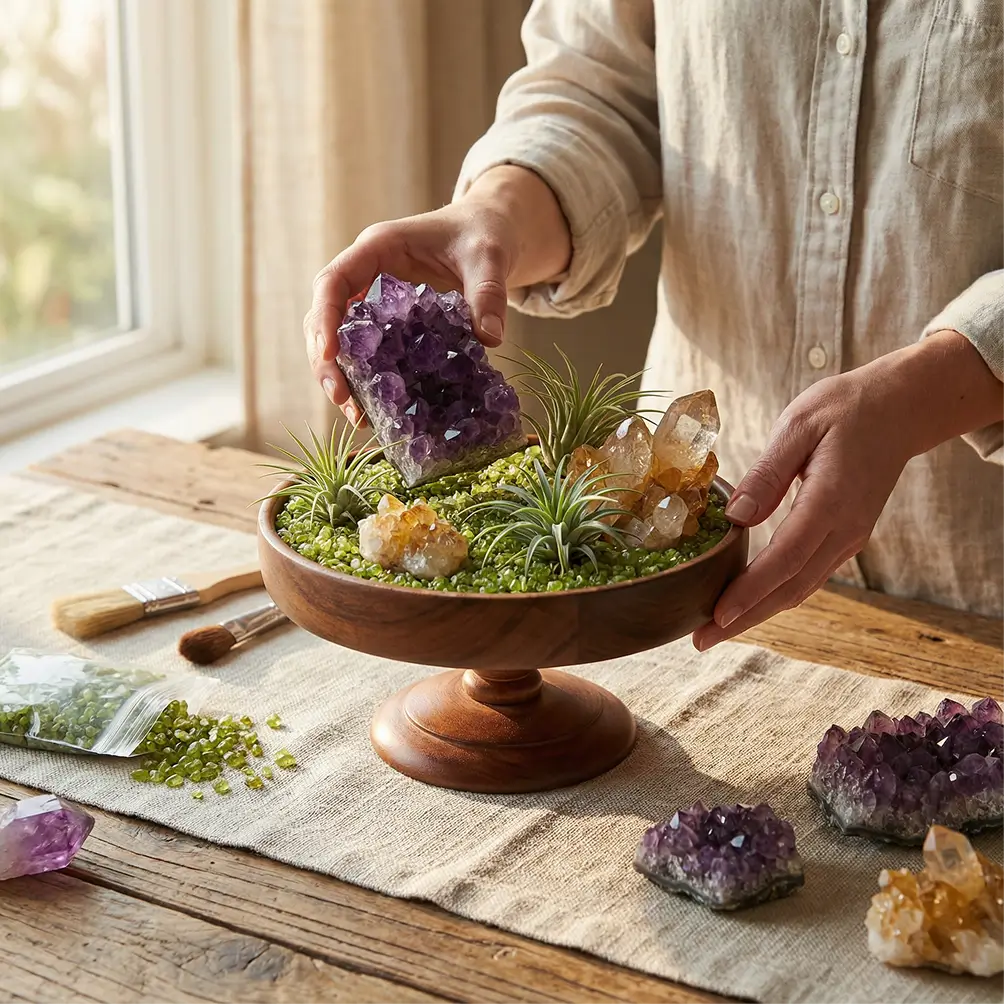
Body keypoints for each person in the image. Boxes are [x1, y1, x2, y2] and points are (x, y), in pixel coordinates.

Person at [303, 1, 1004, 649]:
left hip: (973, 587)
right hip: (670, 552)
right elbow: (600, 87)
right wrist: (500, 212)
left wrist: (923, 395)